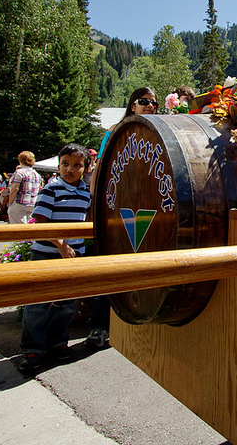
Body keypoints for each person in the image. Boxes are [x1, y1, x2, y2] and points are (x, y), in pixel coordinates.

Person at [87, 88, 158, 350]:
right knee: (111, 265)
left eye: (153, 103)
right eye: (143, 102)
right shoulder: (115, 132)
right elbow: (101, 168)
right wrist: (96, 203)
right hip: (115, 208)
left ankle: (133, 321)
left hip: (144, 209)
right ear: (131, 105)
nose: (149, 106)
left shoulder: (156, 131)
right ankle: (99, 325)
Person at [19, 143, 92, 372]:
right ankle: (33, 347)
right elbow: (40, 222)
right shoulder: (50, 190)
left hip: (73, 255)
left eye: (77, 165)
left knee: (67, 303)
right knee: (38, 302)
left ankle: (57, 342)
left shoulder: (84, 193)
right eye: (65, 164)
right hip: (47, 252)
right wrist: (61, 245)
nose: (69, 169)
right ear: (58, 166)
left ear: (85, 169)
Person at [7, 151, 42, 224]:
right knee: (30, 226)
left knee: (18, 227)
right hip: (32, 203)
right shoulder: (37, 174)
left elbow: (14, 189)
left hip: (20, 202)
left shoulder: (19, 172)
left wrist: (10, 203)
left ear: (20, 160)